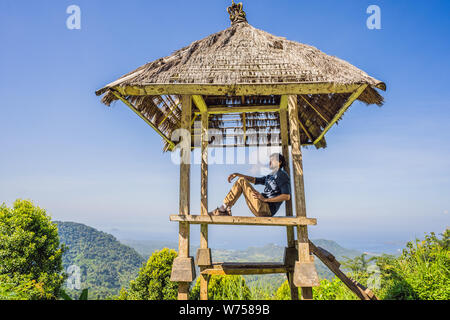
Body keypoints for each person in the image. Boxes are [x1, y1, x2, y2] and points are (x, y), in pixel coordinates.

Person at [209, 153, 291, 217]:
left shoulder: (281, 174)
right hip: (260, 207)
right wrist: (238, 174)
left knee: (241, 181)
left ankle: (223, 209)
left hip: (266, 208)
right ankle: (226, 208)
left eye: (272, 160)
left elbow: (286, 196)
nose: (269, 162)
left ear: (279, 162)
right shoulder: (270, 176)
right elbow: (254, 180)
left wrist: (266, 200)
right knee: (241, 180)